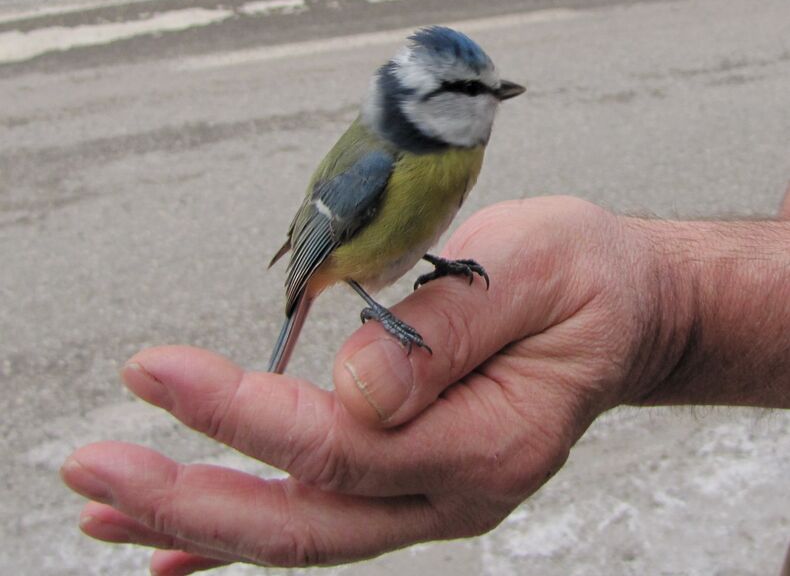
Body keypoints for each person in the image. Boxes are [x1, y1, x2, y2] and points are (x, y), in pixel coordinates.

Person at [61, 192, 790, 576]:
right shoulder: (384, 156)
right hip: (342, 265)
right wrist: (660, 304)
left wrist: (655, 308)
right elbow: (328, 243)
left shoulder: (444, 155)